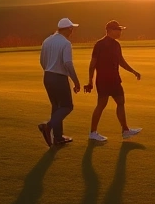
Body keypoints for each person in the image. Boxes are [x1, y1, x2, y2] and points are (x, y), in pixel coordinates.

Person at [86, 20, 142, 142]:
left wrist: (133, 71)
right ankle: (93, 132)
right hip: (103, 80)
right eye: (118, 30)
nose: (120, 32)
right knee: (101, 105)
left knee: (121, 102)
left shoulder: (117, 45)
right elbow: (92, 64)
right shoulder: (99, 44)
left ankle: (125, 130)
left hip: (115, 79)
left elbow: (121, 61)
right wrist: (90, 81)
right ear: (110, 31)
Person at [38, 18, 83, 147]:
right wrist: (76, 81)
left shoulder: (47, 40)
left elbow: (42, 60)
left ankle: (58, 137)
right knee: (67, 106)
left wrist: (49, 70)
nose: (72, 31)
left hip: (47, 76)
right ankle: (48, 126)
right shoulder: (66, 43)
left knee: (56, 106)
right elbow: (67, 63)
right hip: (59, 78)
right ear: (69, 29)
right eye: (72, 28)